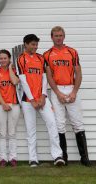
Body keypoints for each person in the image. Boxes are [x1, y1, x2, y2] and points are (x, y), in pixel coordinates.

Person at [43, 26, 91, 166]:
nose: (58, 38)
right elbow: (49, 76)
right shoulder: (47, 54)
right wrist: (57, 93)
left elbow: (79, 73)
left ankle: (85, 158)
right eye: (56, 35)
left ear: (64, 36)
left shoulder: (72, 52)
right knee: (60, 125)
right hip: (57, 89)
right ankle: (63, 157)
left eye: (61, 35)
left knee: (78, 124)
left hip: (71, 87)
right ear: (51, 37)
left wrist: (74, 92)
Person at [17, 34, 65, 167]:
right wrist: (32, 99)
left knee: (52, 124)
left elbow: (45, 78)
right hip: (28, 100)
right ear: (25, 44)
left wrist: (43, 96)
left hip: (42, 99)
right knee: (30, 130)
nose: (35, 47)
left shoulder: (41, 58)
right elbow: (23, 80)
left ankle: (57, 156)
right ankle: (33, 159)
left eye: (36, 44)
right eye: (32, 44)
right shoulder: (21, 59)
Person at [0, 49, 20, 167]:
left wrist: (9, 68)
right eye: (1, 58)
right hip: (0, 104)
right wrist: (3, 103)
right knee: (2, 133)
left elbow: (14, 81)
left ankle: (12, 158)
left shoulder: (15, 70)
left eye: (5, 58)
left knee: (12, 133)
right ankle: (3, 158)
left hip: (14, 104)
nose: (3, 60)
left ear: (9, 59)